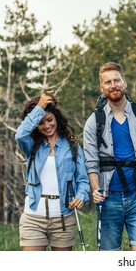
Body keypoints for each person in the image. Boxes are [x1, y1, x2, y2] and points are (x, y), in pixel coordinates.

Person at [83, 62, 136, 251]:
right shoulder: (94, 122)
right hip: (108, 199)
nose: (113, 85)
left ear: (124, 82)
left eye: (116, 80)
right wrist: (96, 189)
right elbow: (91, 162)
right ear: (101, 87)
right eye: (108, 82)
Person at [15, 92, 90, 251]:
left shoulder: (72, 146)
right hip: (33, 218)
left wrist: (81, 196)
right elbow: (20, 134)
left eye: (49, 120)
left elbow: (82, 180)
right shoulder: (31, 145)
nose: (47, 126)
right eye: (41, 122)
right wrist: (40, 108)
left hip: (63, 218)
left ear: (57, 119)